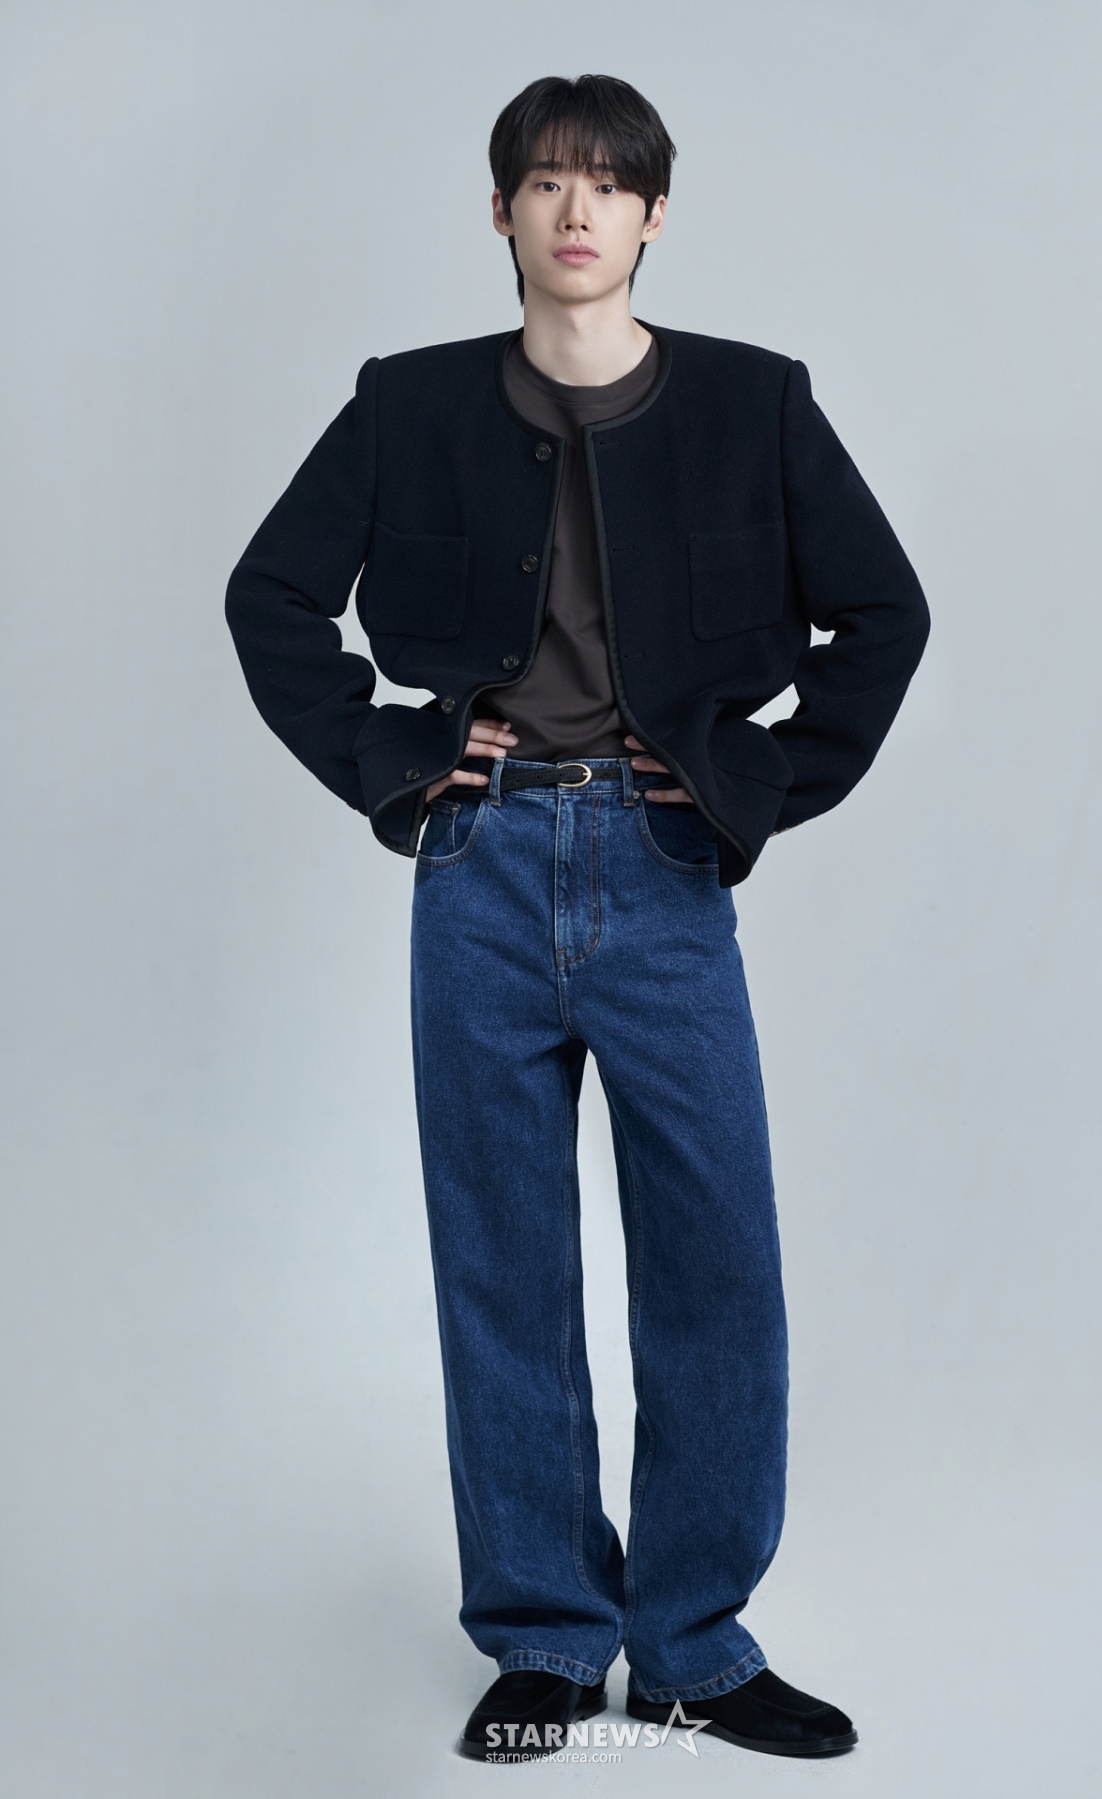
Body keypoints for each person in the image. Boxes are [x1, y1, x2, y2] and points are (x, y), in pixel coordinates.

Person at [225, 73, 929, 1763]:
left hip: (665, 870)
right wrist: (397, 762)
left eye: (608, 185)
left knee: (715, 1258)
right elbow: (271, 596)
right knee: (503, 1262)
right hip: (476, 867)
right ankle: (545, 1634)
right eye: (545, 182)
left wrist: (759, 782)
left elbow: (884, 612)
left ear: (655, 215)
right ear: (501, 213)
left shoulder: (755, 401)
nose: (576, 211)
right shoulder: (407, 403)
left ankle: (690, 1645)